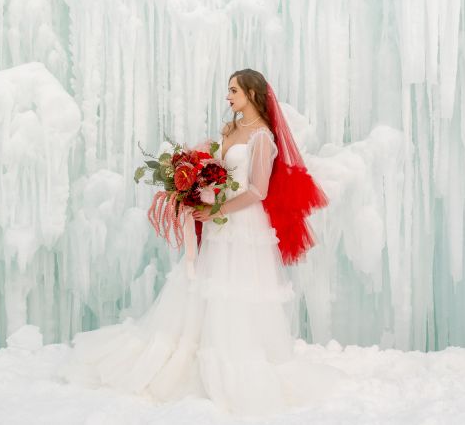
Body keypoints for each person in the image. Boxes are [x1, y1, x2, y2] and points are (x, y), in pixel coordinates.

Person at [63, 69, 329, 413]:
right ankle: (199, 347)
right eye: (228, 90)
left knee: (235, 289)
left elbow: (258, 190)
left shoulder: (263, 137)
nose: (228, 96)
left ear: (251, 92)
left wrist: (219, 206)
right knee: (209, 285)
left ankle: (231, 360)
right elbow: (213, 165)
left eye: (233, 90)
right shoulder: (231, 129)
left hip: (243, 224)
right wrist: (188, 179)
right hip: (219, 221)